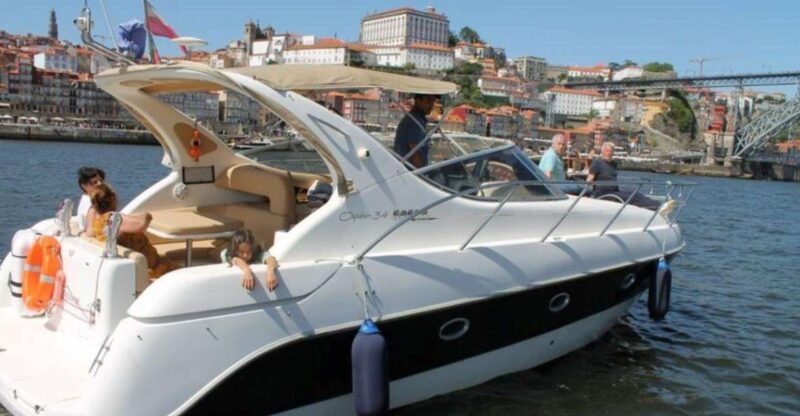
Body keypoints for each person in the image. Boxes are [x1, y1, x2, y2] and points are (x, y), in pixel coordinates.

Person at [87, 183, 178, 279]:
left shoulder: (98, 222)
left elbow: (88, 234)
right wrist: (146, 216)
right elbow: (141, 225)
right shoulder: (114, 218)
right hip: (154, 269)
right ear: (113, 199)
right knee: (184, 272)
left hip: (138, 266)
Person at [587, 142, 659, 210]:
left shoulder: (613, 164)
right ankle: (651, 207)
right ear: (602, 151)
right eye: (607, 151)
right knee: (629, 197)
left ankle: (657, 205)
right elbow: (589, 179)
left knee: (635, 193)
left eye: (611, 151)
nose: (609, 153)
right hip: (603, 193)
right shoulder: (597, 162)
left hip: (614, 191)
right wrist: (585, 191)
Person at [393, 94, 437, 168]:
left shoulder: (417, 119)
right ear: (418, 101)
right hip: (408, 172)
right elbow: (414, 153)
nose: (431, 105)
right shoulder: (414, 122)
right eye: (428, 101)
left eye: (433, 102)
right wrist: (422, 174)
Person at [76, 167, 106, 233]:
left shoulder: (88, 199)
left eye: (101, 181)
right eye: (95, 182)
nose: (99, 184)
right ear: (84, 186)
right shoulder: (91, 204)